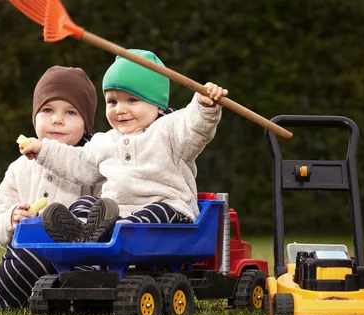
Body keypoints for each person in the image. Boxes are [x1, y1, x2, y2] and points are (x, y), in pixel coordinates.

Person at [20, 49, 225, 244]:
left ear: (157, 105)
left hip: (169, 213)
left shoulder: (170, 130)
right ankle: (81, 238)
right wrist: (43, 150)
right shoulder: (105, 141)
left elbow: (195, 128)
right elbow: (78, 162)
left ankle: (105, 235)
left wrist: (204, 106)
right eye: (112, 102)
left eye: (132, 100)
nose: (120, 110)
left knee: (154, 213)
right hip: (116, 213)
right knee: (85, 204)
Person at [0, 66, 100, 312]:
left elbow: (111, 210)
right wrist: (11, 218)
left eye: (70, 112)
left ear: (86, 123)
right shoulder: (19, 169)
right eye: (48, 110)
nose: (57, 119)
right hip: (32, 257)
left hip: (83, 261)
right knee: (26, 253)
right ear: (34, 116)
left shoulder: (93, 161)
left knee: (87, 210)